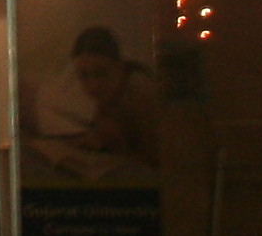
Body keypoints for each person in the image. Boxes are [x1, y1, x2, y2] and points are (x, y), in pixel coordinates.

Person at [23, 25, 164, 185]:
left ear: (120, 67)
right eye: (84, 76)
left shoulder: (142, 95)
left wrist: (116, 145)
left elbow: (160, 161)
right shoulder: (110, 93)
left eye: (101, 74)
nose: (93, 85)